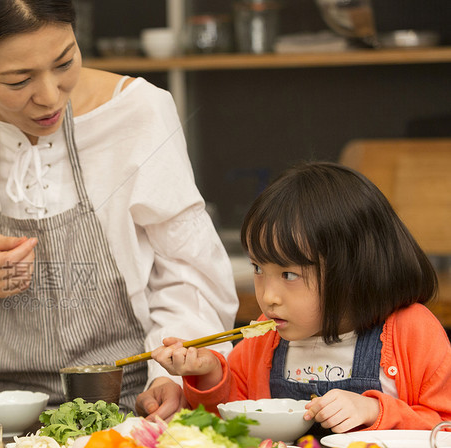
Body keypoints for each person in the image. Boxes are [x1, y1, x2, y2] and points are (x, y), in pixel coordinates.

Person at [0, 0, 237, 414]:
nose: (50, 98)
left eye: (65, 62)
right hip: (0, 412)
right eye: (18, 81)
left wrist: (172, 376)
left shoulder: (137, 111)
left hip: (135, 406)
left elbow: (190, 278)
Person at [152, 162, 451, 432]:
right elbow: (233, 427)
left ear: (349, 271)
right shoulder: (263, 339)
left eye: (289, 275)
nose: (268, 297)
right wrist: (210, 376)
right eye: (258, 268)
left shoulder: (412, 331)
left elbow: (444, 427)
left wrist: (375, 411)